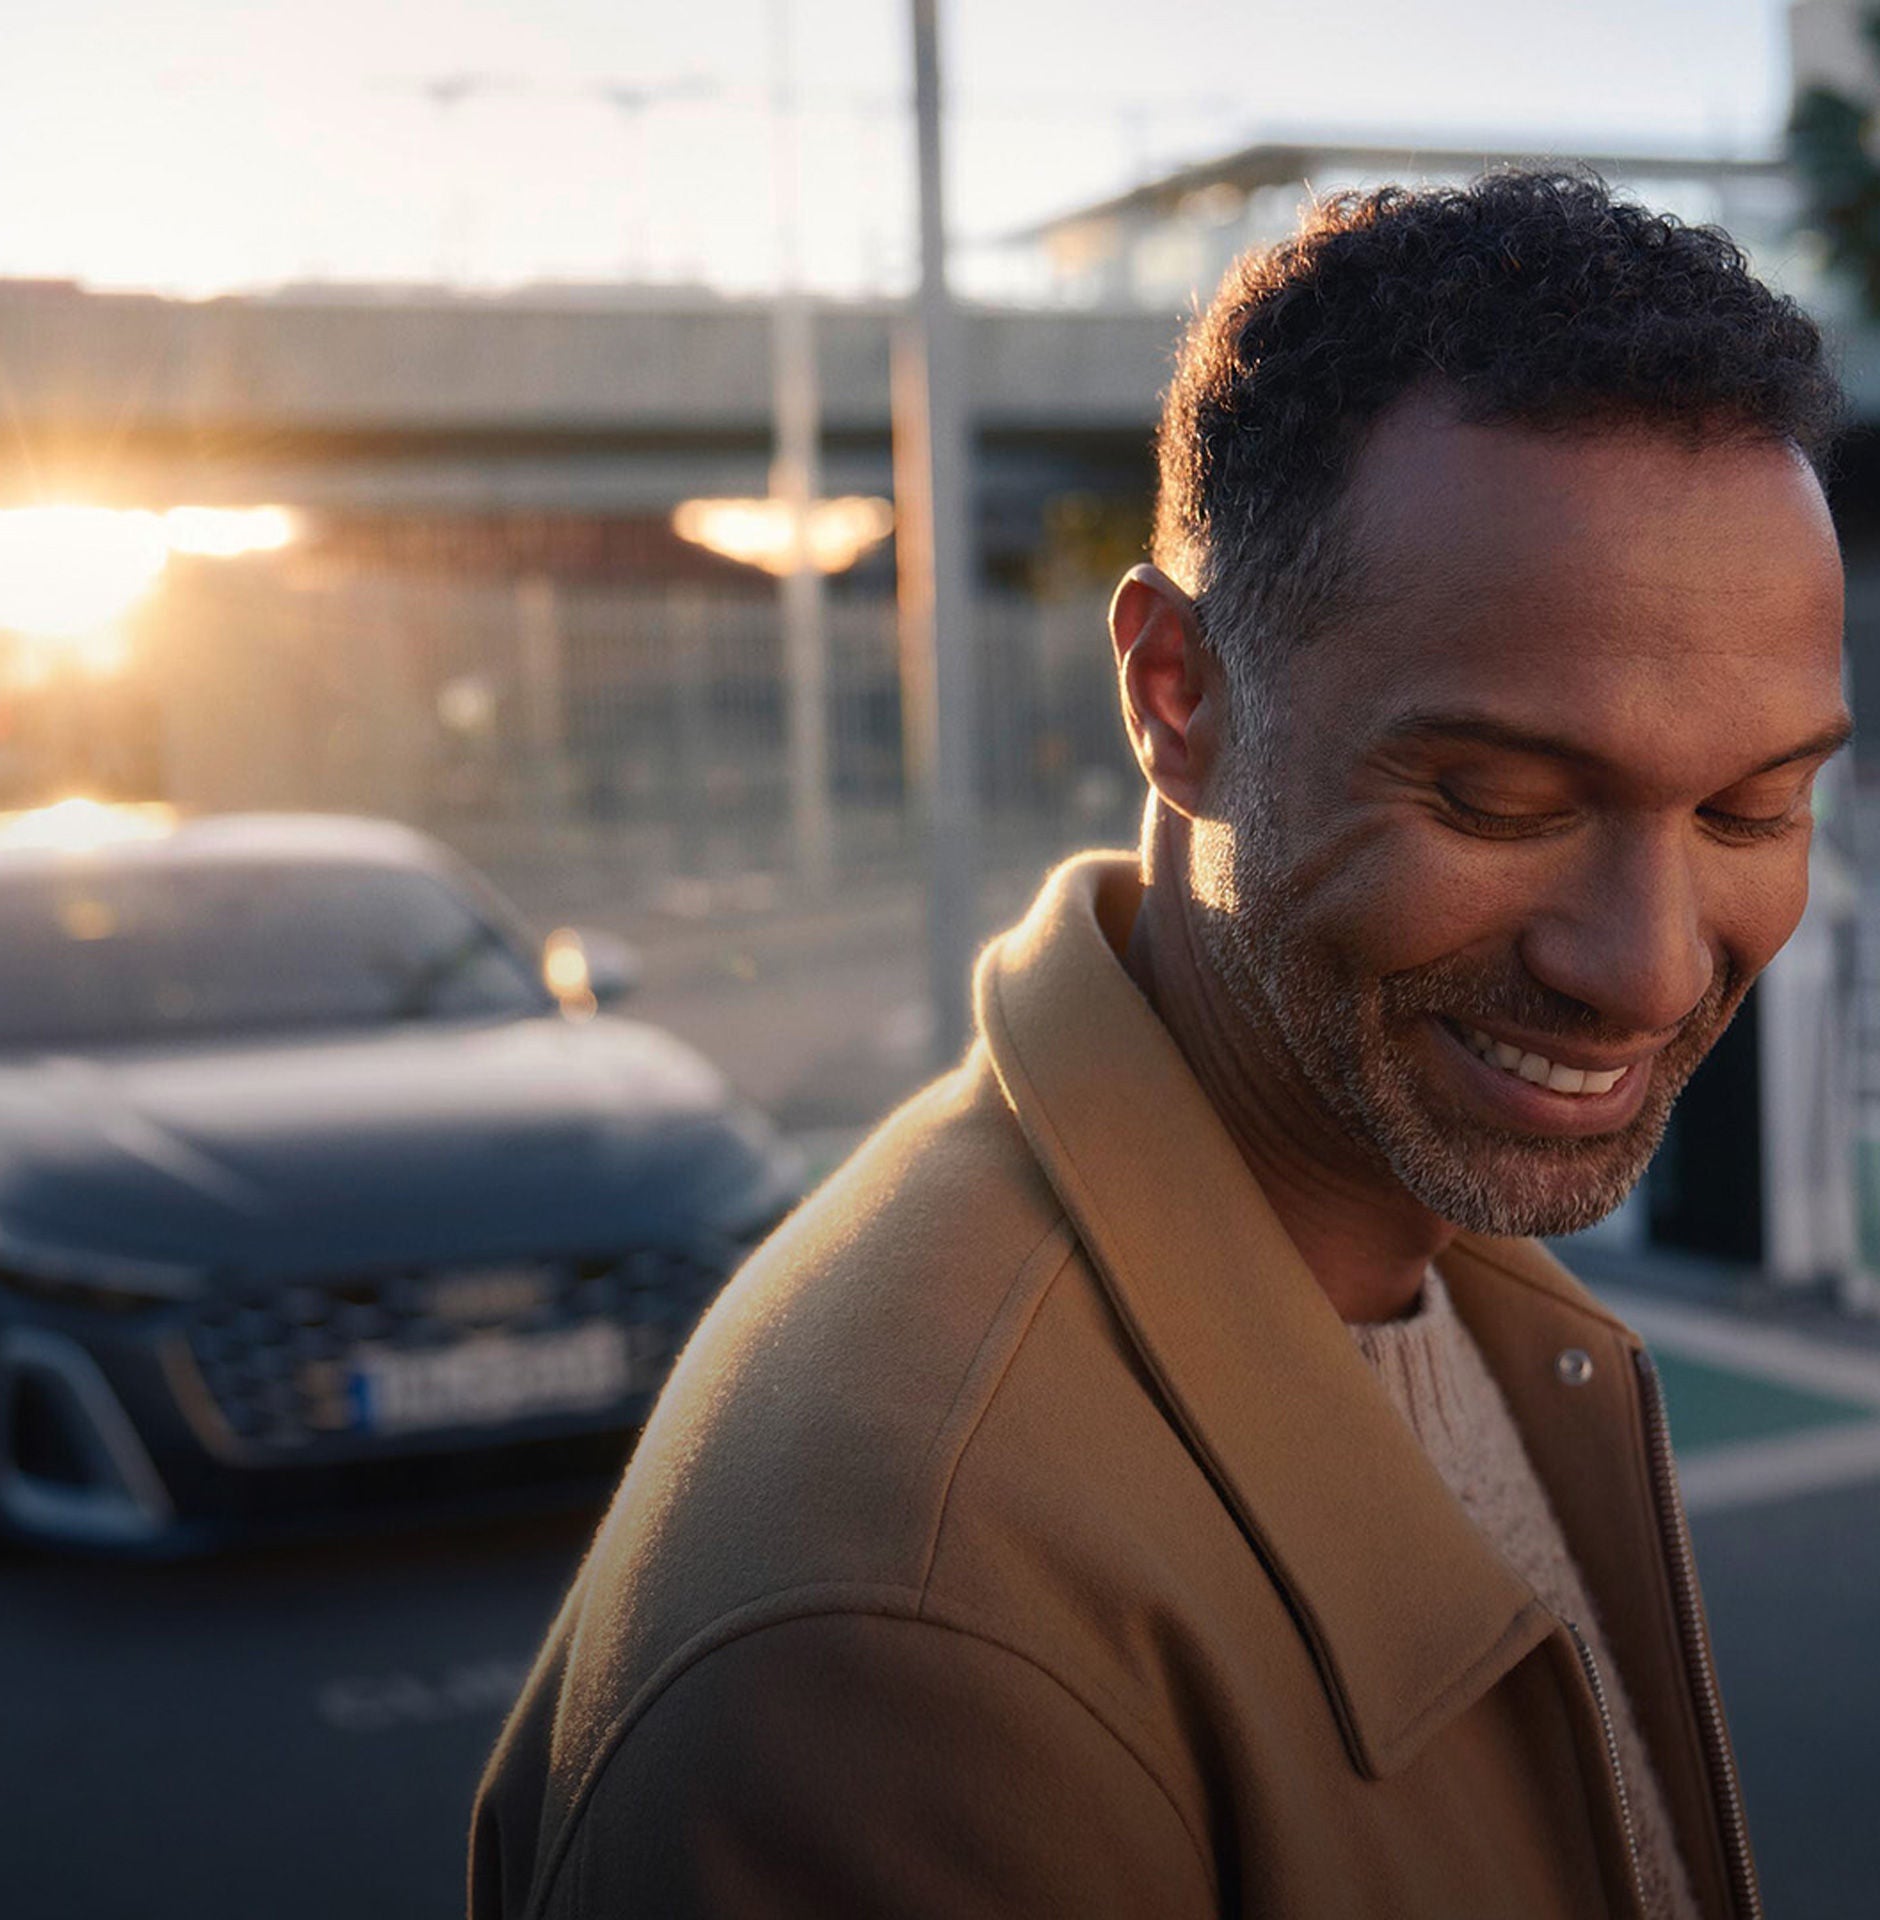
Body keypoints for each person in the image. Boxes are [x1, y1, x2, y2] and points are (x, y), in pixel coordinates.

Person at [471, 171, 1847, 1919]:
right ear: (1177, 697)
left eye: (1753, 807)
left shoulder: (1442, 1260)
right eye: (1496, 799)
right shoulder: (909, 1638)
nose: (1648, 972)